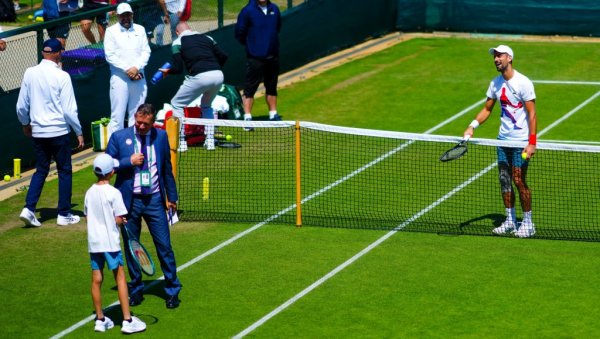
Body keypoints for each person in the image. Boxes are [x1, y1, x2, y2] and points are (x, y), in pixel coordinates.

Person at [105, 103, 182, 309]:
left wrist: (172, 197)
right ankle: (136, 289)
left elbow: (166, 168)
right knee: (132, 248)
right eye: (138, 122)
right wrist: (127, 161)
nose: (140, 126)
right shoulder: (119, 137)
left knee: (164, 246)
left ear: (152, 122)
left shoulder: (162, 136)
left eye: (145, 124)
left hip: (155, 200)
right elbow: (106, 165)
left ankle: (172, 290)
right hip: (129, 202)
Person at [463, 45, 538, 238]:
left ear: (509, 58)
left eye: (500, 55)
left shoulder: (523, 83)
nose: (496, 59)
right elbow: (487, 109)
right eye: (494, 56)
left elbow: (532, 114)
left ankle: (528, 223)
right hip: (502, 140)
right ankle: (510, 220)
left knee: (519, 180)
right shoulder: (495, 84)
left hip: (520, 141)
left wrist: (531, 142)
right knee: (504, 180)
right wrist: (472, 125)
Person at [16, 38, 84, 227]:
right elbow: (69, 110)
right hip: (58, 132)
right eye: (60, 51)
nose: (62, 53)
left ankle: (29, 209)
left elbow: (21, 105)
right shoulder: (62, 76)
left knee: (41, 170)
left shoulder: (30, 73)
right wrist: (78, 131)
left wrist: (25, 124)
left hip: (39, 133)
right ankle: (64, 213)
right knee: (64, 171)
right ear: (56, 53)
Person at [84, 153, 146, 334]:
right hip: (110, 243)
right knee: (120, 278)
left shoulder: (89, 192)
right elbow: (119, 220)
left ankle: (100, 319)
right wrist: (120, 221)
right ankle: (127, 320)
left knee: (96, 279)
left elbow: (88, 217)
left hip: (94, 243)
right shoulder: (114, 193)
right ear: (112, 172)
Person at [162, 21, 227, 151]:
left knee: (176, 104)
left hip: (200, 76)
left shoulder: (177, 42)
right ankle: (210, 141)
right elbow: (223, 56)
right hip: (218, 75)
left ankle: (182, 141)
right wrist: (213, 68)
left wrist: (168, 71)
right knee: (207, 106)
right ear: (190, 29)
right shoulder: (208, 37)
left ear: (177, 32)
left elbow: (178, 68)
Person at [104, 2, 151, 135]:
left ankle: (135, 146)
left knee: (137, 115)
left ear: (132, 15)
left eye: (128, 15)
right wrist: (128, 69)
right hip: (119, 78)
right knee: (117, 116)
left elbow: (146, 52)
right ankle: (116, 149)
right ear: (118, 16)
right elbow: (110, 55)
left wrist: (136, 68)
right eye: (122, 16)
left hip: (139, 77)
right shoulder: (111, 31)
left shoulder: (140, 29)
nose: (125, 18)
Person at [234, 0, 282, 129]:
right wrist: (253, 45)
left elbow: (277, 28)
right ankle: (247, 118)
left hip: (272, 56)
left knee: (272, 86)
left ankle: (273, 114)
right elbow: (239, 32)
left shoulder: (275, 9)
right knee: (250, 88)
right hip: (255, 57)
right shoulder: (247, 11)